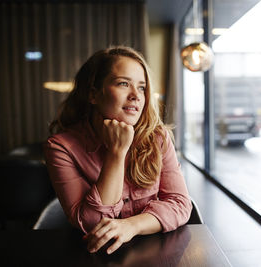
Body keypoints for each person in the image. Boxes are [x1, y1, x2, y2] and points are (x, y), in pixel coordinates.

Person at [44, 46, 192, 255]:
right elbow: (91, 223)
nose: (136, 96)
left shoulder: (158, 137)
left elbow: (180, 204)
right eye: (123, 83)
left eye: (142, 87)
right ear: (94, 94)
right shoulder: (60, 147)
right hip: (94, 256)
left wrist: (131, 226)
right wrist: (116, 154)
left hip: (156, 253)